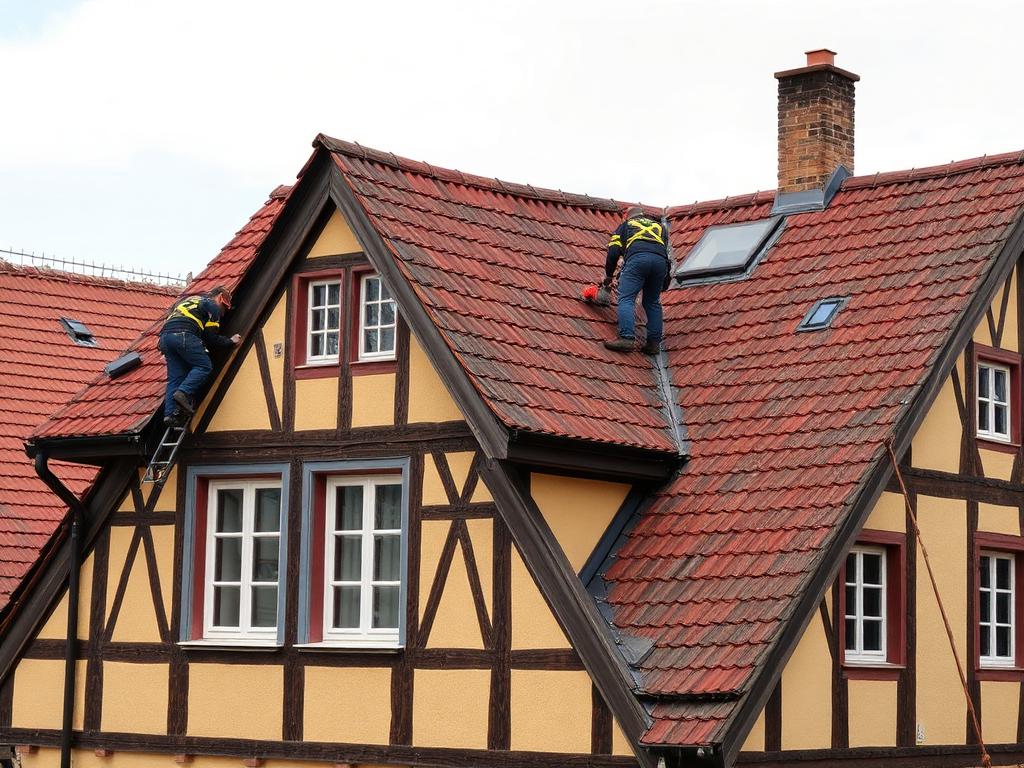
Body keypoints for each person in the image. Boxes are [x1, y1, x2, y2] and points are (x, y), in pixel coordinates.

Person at [158, 286, 241, 426]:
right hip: (184, 335)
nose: (223, 313)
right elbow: (211, 338)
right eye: (224, 307)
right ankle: (183, 393)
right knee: (204, 366)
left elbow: (170, 318)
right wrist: (230, 341)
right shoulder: (212, 306)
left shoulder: (188, 300)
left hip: (164, 339)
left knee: (175, 377)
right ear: (220, 298)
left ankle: (170, 415)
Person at [602, 205, 671, 355]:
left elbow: (613, 252)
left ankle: (627, 338)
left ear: (627, 216)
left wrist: (608, 275)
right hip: (660, 264)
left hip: (638, 260)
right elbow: (664, 251)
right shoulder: (659, 227)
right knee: (652, 301)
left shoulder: (625, 226)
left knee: (626, 298)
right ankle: (653, 344)